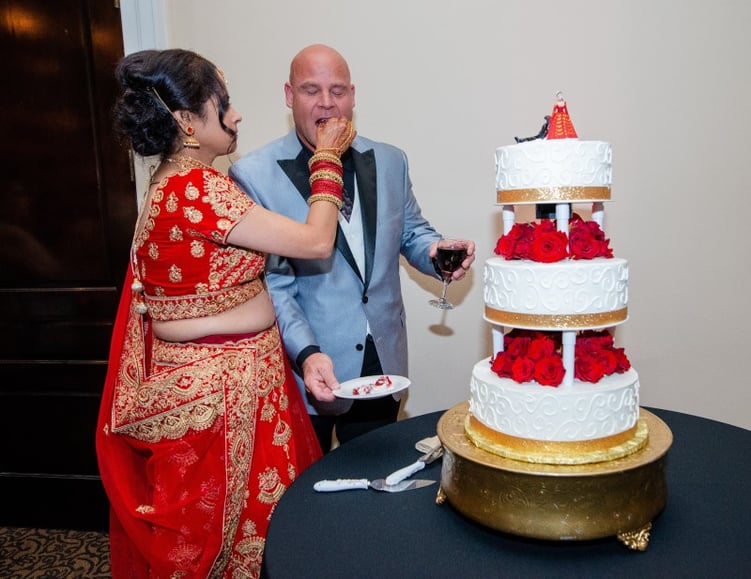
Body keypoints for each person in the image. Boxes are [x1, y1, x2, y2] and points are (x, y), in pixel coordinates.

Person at [95, 48, 355, 578]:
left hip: (211, 391)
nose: (235, 117)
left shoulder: (165, 185)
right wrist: (326, 158)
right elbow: (316, 239)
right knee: (230, 548)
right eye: (224, 105)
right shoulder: (198, 188)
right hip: (224, 403)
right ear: (188, 121)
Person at [229, 44, 475, 453]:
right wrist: (306, 354)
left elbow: (411, 231)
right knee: (309, 492)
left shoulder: (391, 160)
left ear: (354, 95)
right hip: (309, 363)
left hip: (382, 358)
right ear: (289, 97)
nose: (327, 103)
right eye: (311, 90)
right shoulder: (253, 175)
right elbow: (274, 284)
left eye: (338, 90)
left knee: (379, 481)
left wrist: (435, 252)